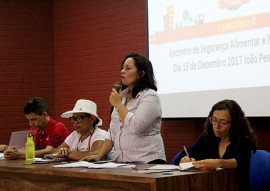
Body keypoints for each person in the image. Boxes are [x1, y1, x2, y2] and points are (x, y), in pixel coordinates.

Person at [82, 52, 166, 164]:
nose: (122, 71)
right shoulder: (121, 96)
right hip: (123, 162)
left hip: (148, 161)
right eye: (122, 68)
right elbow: (112, 133)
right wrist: (98, 156)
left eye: (128, 68)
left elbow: (137, 126)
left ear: (141, 74)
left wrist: (118, 105)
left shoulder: (150, 96)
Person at [173, 99, 257, 191]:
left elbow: (239, 161)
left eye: (223, 122)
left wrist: (218, 163)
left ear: (235, 123)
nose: (217, 126)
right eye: (214, 120)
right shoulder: (208, 137)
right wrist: (185, 159)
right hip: (210, 186)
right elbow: (182, 155)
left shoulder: (244, 139)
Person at [4, 97, 69, 159]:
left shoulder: (59, 128)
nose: (30, 124)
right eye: (29, 120)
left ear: (44, 114)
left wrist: (19, 154)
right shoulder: (34, 128)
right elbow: (28, 149)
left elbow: (48, 151)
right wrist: (11, 151)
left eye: (34, 119)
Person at [45, 99, 110, 161]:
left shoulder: (100, 134)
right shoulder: (74, 134)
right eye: (73, 119)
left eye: (79, 118)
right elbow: (57, 151)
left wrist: (67, 153)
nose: (75, 122)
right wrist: (62, 152)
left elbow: (95, 153)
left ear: (92, 119)